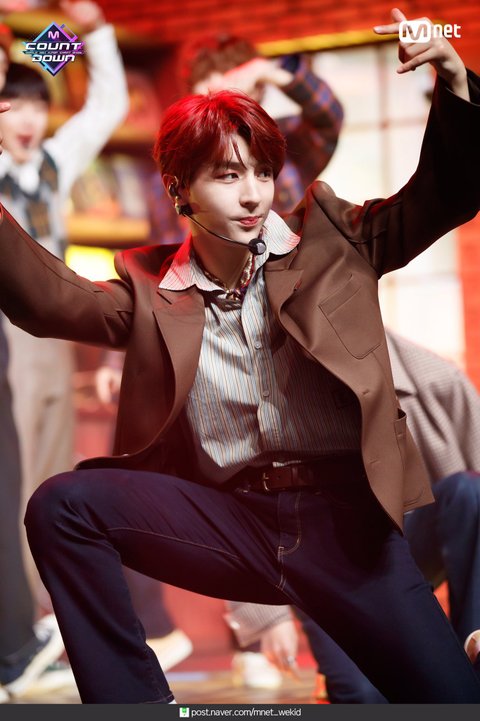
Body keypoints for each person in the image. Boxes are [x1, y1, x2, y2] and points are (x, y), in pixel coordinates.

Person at [0, 7, 478, 704]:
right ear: (178, 189)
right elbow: (50, 300)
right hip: (233, 522)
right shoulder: (155, 287)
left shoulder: (334, 242)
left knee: (445, 701)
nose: (253, 193)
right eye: (228, 175)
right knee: (62, 504)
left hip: (346, 531)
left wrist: (455, 80)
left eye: (261, 171)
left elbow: (442, 195)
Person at [96, 30, 345, 679]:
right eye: (209, 97)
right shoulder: (184, 180)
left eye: (235, 94)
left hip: (294, 336)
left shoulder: (285, 153)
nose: (249, 190)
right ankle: (252, 633)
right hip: (209, 342)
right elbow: (152, 279)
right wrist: (117, 358)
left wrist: (275, 71)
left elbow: (327, 114)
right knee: (209, 470)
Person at [225, 329, 480, 703]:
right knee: (364, 697)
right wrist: (268, 617)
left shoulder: (432, 377)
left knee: (469, 490)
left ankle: (472, 649)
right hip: (324, 561)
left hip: (408, 540)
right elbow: (235, 501)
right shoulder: (267, 378)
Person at [0, 0, 128, 615]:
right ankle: (17, 618)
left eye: (37, 107)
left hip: (52, 333)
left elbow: (105, 106)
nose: (27, 119)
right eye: (13, 106)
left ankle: (46, 611)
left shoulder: (54, 160)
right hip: (6, 334)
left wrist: (89, 27)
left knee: (52, 472)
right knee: (12, 468)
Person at [147, 30, 344, 245]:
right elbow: (167, 246)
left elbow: (328, 115)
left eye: (263, 174)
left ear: (257, 91)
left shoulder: (285, 142)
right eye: (208, 93)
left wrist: (267, 71)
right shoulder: (171, 175)